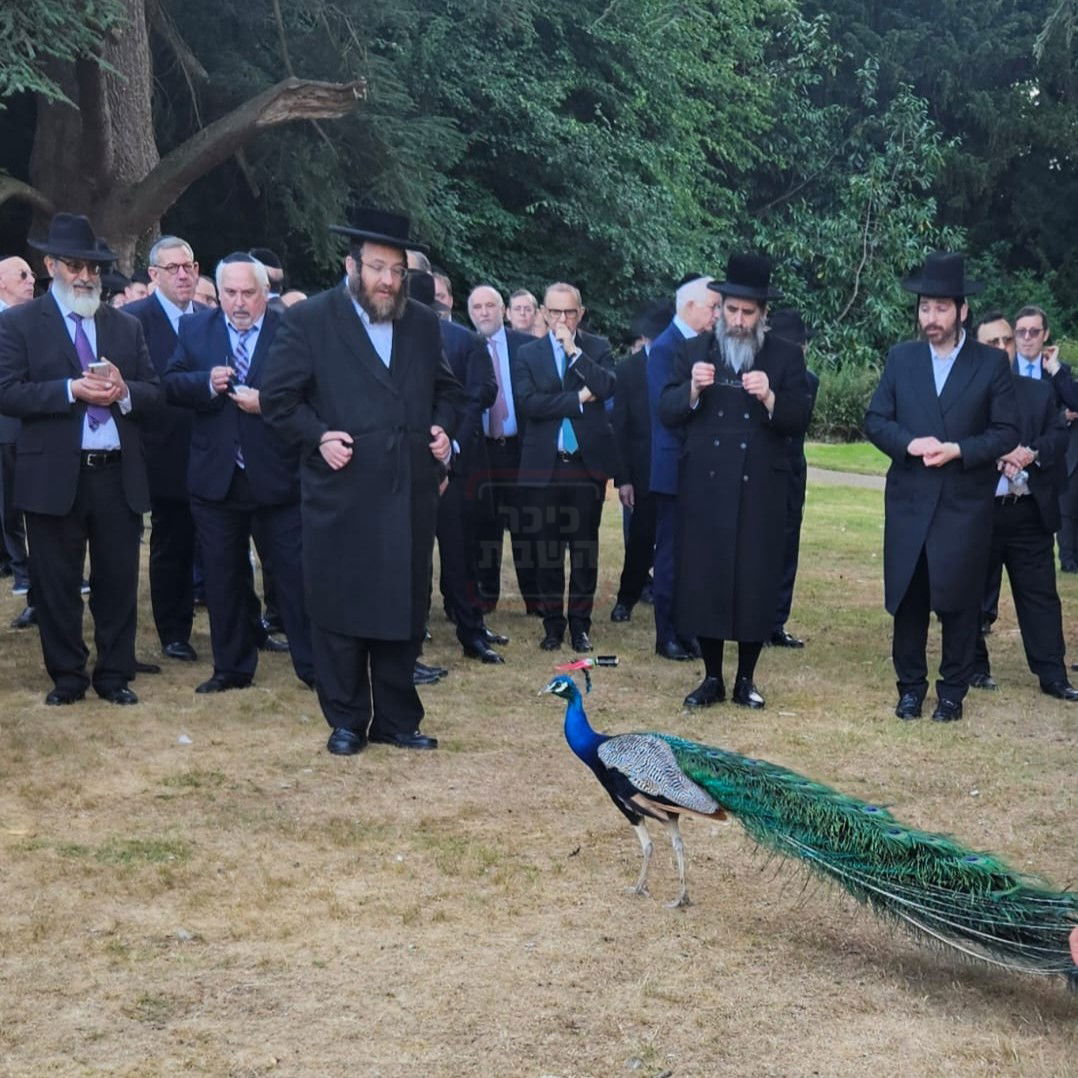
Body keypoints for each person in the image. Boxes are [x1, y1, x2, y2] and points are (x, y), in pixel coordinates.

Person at [261, 208, 462, 755]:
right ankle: (347, 718)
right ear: (352, 264)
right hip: (341, 491)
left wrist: (444, 429)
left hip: (408, 492)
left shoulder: (421, 321)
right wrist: (319, 436)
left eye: (396, 270)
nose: (387, 281)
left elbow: (447, 391)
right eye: (377, 267)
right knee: (341, 604)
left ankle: (397, 720)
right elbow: (279, 400)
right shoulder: (310, 321)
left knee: (404, 603)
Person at [0, 213, 160, 705]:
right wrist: (70, 390)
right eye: (74, 265)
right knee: (55, 583)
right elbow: (8, 392)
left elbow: (155, 393)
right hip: (52, 476)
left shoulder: (125, 326)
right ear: (51, 266)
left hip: (115, 475)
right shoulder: (19, 323)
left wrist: (123, 391)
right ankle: (67, 676)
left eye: (92, 267)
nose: (86, 276)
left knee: (117, 581)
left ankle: (114, 675)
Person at [864, 252, 1019, 723]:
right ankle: (910, 688)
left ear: (962, 311)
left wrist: (959, 450)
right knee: (910, 600)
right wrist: (910, 443)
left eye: (941, 309)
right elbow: (875, 420)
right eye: (925, 308)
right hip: (911, 500)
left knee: (958, 601)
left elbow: (1006, 431)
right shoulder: (901, 358)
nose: (930, 318)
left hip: (963, 503)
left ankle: (953, 691)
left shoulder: (990, 364)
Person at [660, 254, 812, 710]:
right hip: (706, 488)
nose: (739, 321)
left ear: (762, 315)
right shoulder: (693, 352)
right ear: (719, 309)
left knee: (753, 581)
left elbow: (799, 417)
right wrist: (690, 389)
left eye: (748, 313)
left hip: (760, 487)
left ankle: (746, 678)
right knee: (705, 579)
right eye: (732, 311)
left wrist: (769, 396)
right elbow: (666, 412)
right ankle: (711, 676)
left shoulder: (784, 356)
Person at [165, 253, 314, 694]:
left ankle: (314, 667)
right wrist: (205, 384)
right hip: (217, 478)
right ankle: (231, 668)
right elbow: (170, 383)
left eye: (249, 293)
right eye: (229, 293)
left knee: (294, 576)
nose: (239, 302)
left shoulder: (291, 330)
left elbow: (314, 391)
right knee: (223, 577)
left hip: (278, 476)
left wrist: (267, 402)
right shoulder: (196, 328)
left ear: (265, 294)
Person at [966, 332, 1076, 700]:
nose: (1000, 348)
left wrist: (1028, 452)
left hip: (1028, 510)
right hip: (980, 510)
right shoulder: (964, 395)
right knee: (973, 593)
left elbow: (1059, 436)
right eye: (991, 342)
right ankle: (974, 667)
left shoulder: (1038, 392)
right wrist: (997, 452)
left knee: (1040, 595)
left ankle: (1053, 674)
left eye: (1005, 340)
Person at [512, 282, 617, 652]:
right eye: (554, 312)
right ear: (543, 312)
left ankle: (580, 625)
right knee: (547, 550)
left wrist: (575, 353)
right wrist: (576, 399)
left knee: (584, 550)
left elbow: (606, 387)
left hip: (584, 466)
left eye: (568, 312)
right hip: (544, 466)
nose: (561, 319)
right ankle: (553, 625)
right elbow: (528, 404)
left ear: (580, 313)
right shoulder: (528, 353)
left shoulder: (597, 348)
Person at [123, 236, 204, 664]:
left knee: (223, 544)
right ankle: (175, 630)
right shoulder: (134, 320)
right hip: (160, 450)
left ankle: (243, 622)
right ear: (153, 275)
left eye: (188, 266)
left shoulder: (211, 318)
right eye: (172, 268)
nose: (183, 274)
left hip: (211, 448)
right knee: (171, 544)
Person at [647, 274, 718, 661]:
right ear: (689, 306)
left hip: (698, 468)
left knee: (694, 555)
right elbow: (665, 410)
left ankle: (688, 628)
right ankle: (667, 633)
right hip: (674, 466)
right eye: (713, 307)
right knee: (671, 554)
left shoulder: (699, 345)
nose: (717, 315)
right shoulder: (665, 348)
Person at [466, 284, 540, 615]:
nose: (484, 312)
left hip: (519, 449)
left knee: (528, 525)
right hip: (480, 450)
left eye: (490, 305)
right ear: (470, 312)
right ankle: (486, 596)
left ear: (503, 311)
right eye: (477, 307)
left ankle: (535, 598)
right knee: (485, 526)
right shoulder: (462, 346)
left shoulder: (527, 346)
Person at [609, 301, 672, 624]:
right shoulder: (628, 371)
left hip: (676, 468)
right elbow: (619, 428)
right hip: (643, 471)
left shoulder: (682, 363)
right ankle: (626, 598)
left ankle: (674, 603)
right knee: (640, 542)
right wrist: (623, 479)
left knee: (676, 544)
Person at [767, 309, 820, 649]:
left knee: (786, 547)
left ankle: (776, 621)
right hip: (759, 472)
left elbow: (794, 422)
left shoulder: (807, 381)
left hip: (790, 472)